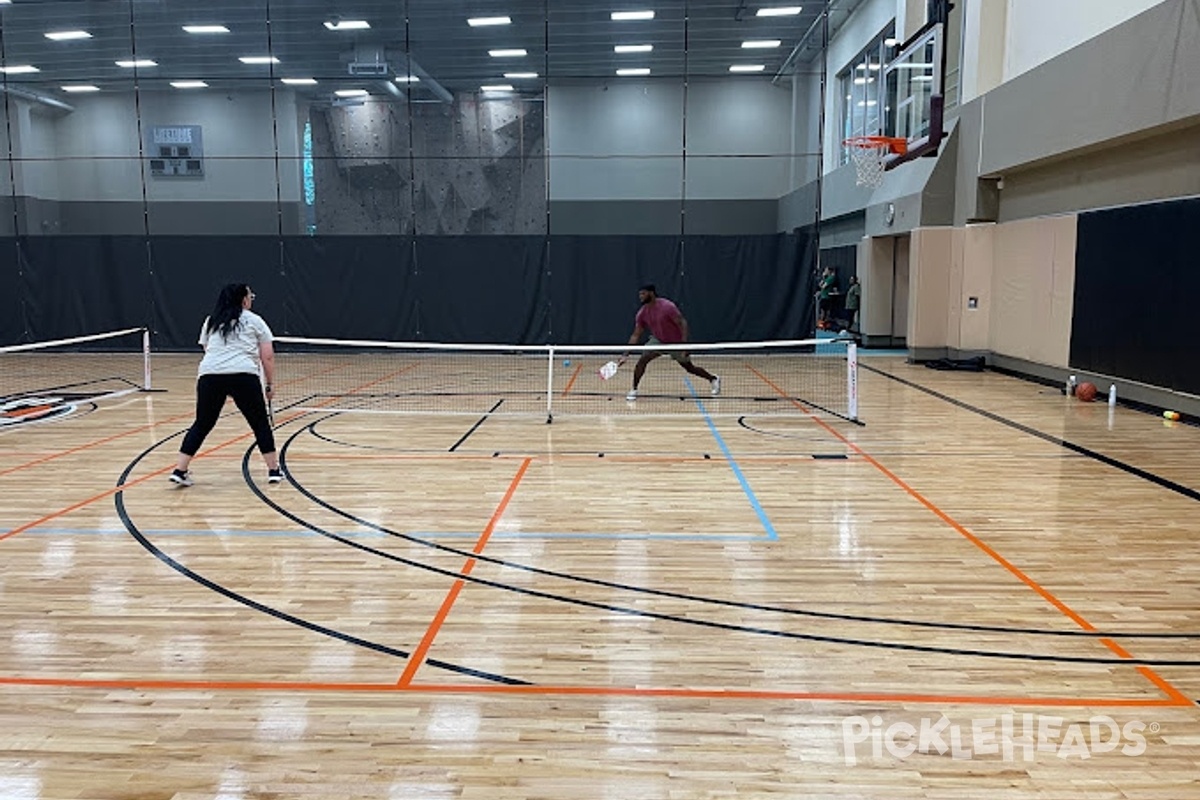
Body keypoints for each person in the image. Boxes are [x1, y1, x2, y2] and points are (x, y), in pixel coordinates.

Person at [169, 283, 282, 487]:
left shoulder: (211, 321)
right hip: (243, 376)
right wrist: (270, 384)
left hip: (209, 375)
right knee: (259, 423)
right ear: (243, 300)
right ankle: (274, 470)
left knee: (202, 423)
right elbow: (268, 356)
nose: (251, 299)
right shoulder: (255, 321)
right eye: (250, 296)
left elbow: (207, 348)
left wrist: (222, 370)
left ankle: (180, 470)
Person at [623, 284, 719, 402]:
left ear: (651, 293)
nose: (640, 297)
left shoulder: (667, 306)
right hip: (659, 341)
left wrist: (684, 345)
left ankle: (713, 379)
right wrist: (625, 355)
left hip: (676, 342)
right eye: (640, 294)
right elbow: (635, 334)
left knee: (689, 368)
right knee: (643, 360)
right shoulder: (642, 313)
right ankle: (634, 390)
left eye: (643, 294)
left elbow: (682, 323)